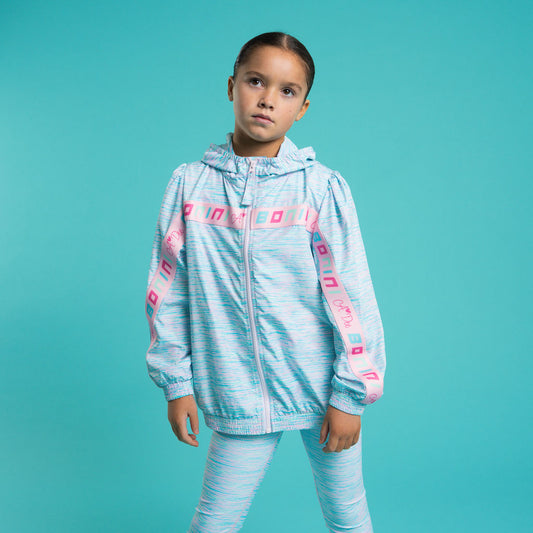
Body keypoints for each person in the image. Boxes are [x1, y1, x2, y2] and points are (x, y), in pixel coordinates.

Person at [144, 31, 386, 533]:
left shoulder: (320, 189)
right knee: (214, 522)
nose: (268, 99)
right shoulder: (189, 185)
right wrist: (176, 383)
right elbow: (170, 290)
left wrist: (350, 395)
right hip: (235, 387)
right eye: (256, 81)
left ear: (302, 108)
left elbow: (351, 294)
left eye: (287, 90)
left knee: (347, 515)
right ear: (231, 86)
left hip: (324, 387)